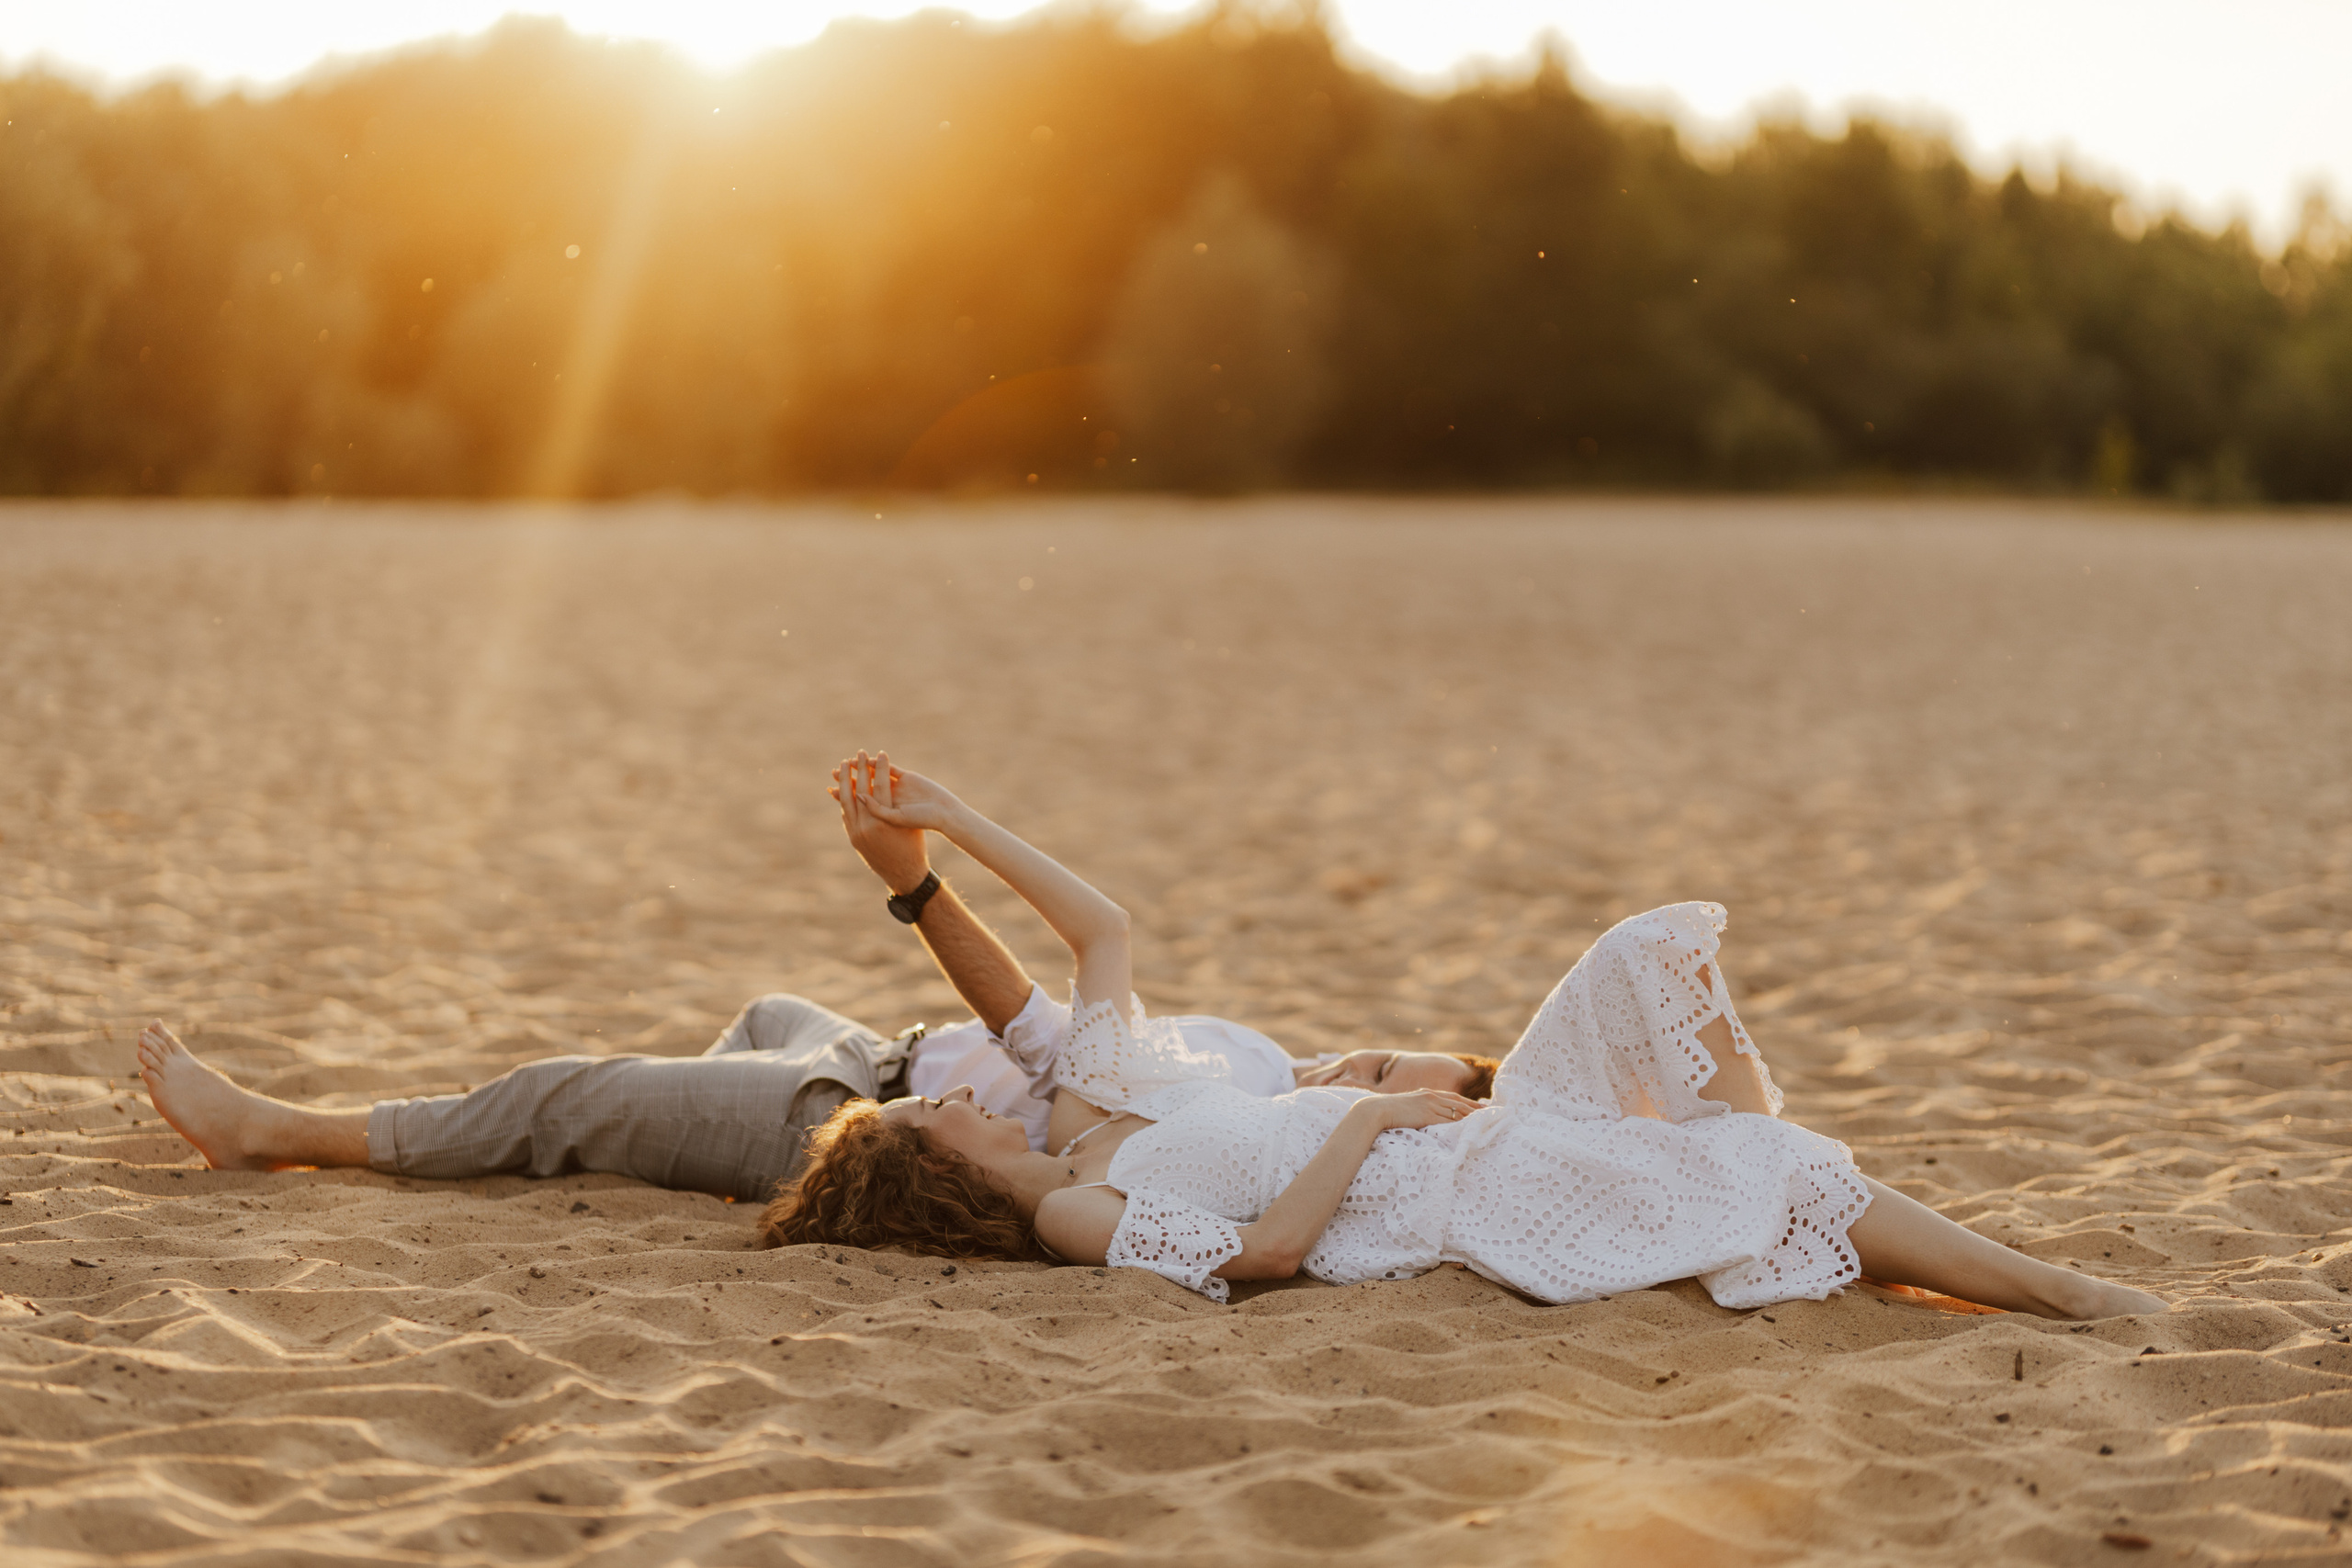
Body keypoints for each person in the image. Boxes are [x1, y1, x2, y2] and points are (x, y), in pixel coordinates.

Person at [765, 755, 2169, 1322]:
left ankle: (1743, 1184)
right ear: (934, 1170)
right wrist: (1369, 1124)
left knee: (1644, 955)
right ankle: (2056, 1295)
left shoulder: (1092, 1104)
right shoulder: (1077, 1211)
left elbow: (1105, 931)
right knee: (1768, 1164)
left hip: (1459, 1135)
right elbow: (1260, 1261)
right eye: (934, 1120)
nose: (964, 1105)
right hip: (1434, 1186)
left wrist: (944, 815)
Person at [131, 761, 1491, 1202]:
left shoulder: (1228, 1122)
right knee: (757, 1018)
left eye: (1373, 1081)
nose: (1355, 1060)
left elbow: (1037, 1026)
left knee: (572, 1094)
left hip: (854, 1113)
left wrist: (914, 871)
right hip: (870, 1041)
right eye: (1385, 1050)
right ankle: (629, 1139)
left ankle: (278, 1134)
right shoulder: (1256, 1059)